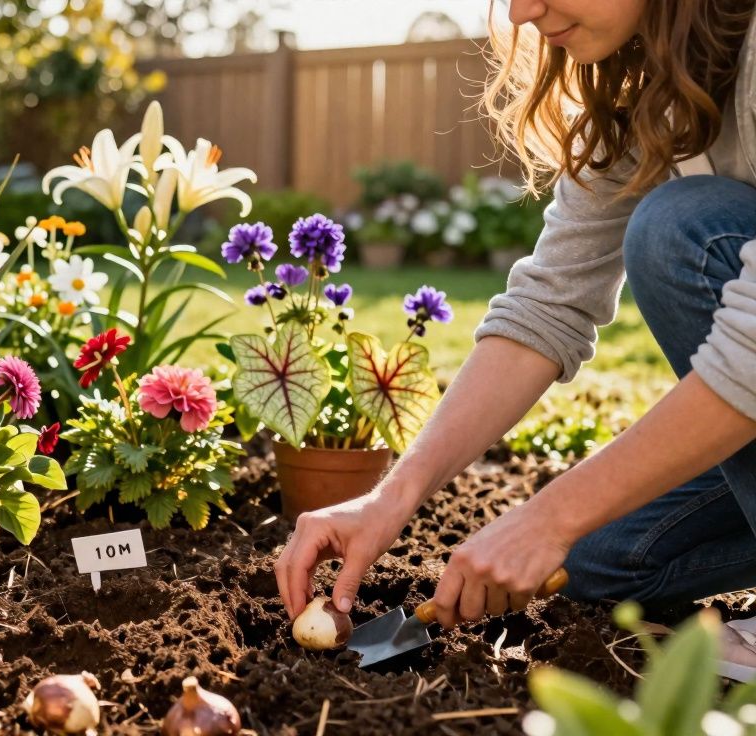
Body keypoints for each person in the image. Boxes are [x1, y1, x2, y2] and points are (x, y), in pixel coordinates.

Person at [276, 0, 756, 639]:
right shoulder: (642, 91)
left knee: (678, 231)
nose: (526, 12)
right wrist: (389, 497)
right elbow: (548, 305)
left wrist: (546, 517)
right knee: (598, 560)